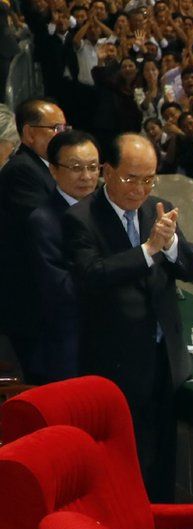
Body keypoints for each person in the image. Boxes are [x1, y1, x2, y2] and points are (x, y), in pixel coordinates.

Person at [63, 133, 193, 502]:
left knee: (163, 456)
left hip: (165, 356)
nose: (140, 188)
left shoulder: (158, 208)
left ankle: (161, 525)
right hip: (116, 362)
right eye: (131, 178)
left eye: (148, 179)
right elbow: (92, 275)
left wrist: (172, 245)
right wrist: (148, 250)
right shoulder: (80, 218)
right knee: (126, 459)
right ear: (106, 172)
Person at [25, 130, 100, 384]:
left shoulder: (105, 211)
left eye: (93, 167)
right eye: (76, 167)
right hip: (67, 346)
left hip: (108, 342)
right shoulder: (43, 221)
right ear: (54, 171)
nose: (87, 176)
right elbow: (60, 290)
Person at [0, 99, 67, 374]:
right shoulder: (22, 170)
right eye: (55, 128)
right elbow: (49, 223)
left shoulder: (44, 168)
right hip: (29, 304)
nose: (62, 134)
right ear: (29, 134)